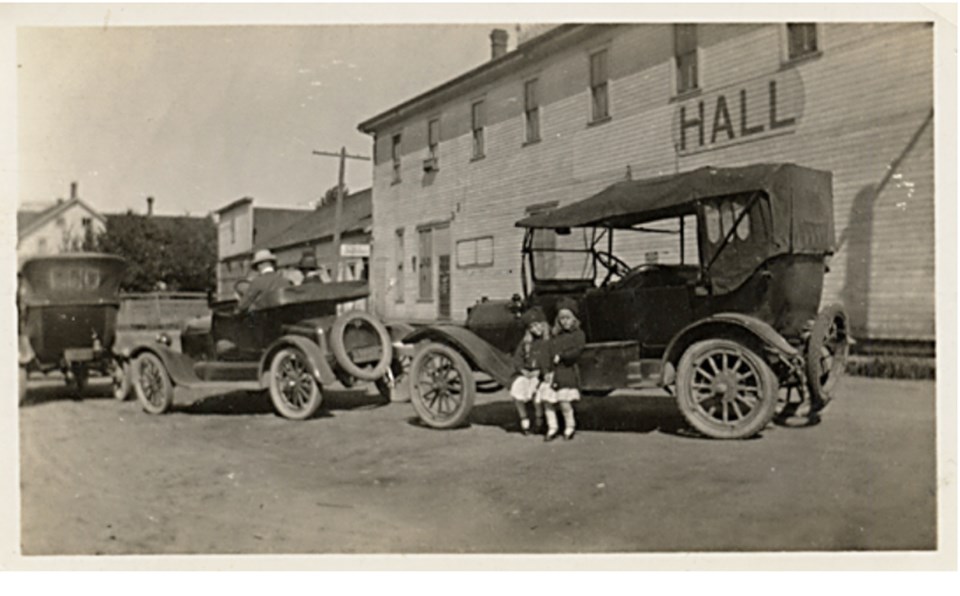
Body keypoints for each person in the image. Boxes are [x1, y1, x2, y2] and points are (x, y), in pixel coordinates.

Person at [542, 297, 586, 441]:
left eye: (568, 318)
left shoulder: (578, 335)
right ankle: (552, 427)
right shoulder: (556, 336)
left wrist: (562, 356)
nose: (565, 321)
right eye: (562, 319)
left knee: (564, 402)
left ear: (574, 319)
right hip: (554, 373)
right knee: (547, 402)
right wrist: (546, 370)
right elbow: (548, 352)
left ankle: (569, 426)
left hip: (567, 371)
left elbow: (577, 351)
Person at [509, 307, 550, 436]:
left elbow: (549, 358)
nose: (535, 329)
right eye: (531, 327)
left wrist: (540, 371)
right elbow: (517, 358)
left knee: (536, 396)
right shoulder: (526, 343)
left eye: (537, 325)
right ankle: (524, 419)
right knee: (517, 390)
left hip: (541, 375)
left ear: (543, 324)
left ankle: (539, 420)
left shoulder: (547, 341)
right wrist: (522, 370)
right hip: (527, 373)